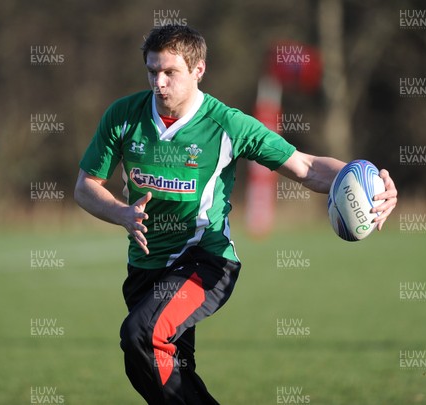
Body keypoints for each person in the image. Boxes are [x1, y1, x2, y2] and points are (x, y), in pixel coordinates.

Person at [74, 24, 397, 404]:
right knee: (151, 364)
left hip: (205, 260)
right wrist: (122, 213)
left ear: (198, 70)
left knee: (141, 335)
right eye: (152, 71)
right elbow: (85, 187)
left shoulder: (226, 123)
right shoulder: (124, 116)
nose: (158, 83)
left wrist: (371, 181)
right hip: (146, 265)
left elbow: (305, 167)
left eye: (170, 72)